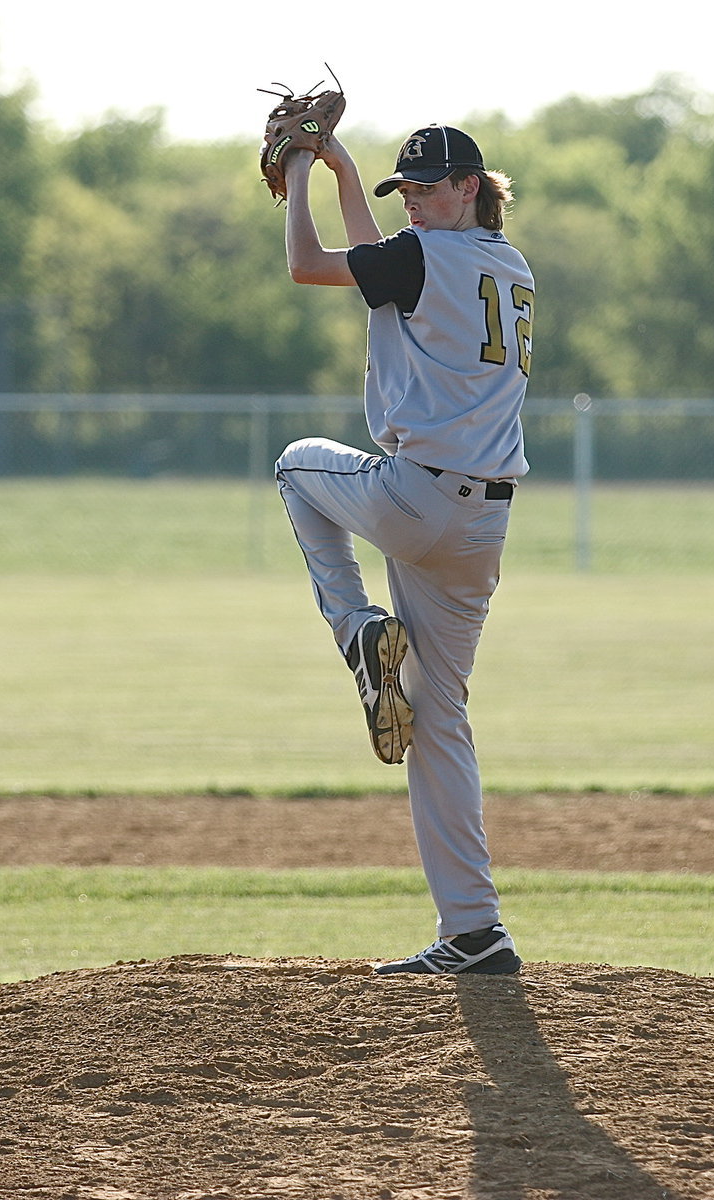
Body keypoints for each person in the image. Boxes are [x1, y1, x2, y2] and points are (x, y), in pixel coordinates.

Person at [274, 123, 535, 975]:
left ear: (469, 187)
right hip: (483, 525)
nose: (415, 203)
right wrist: (348, 169)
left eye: (428, 188)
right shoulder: (508, 266)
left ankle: (355, 628)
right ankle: (475, 931)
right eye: (406, 191)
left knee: (296, 467)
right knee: (438, 715)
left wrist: (303, 171)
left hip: (413, 498)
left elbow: (309, 265)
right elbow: (383, 267)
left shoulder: (424, 257)